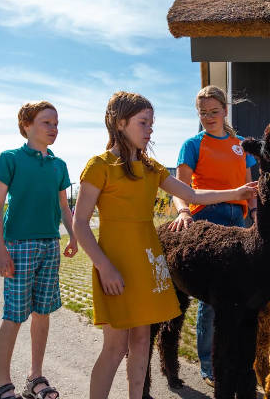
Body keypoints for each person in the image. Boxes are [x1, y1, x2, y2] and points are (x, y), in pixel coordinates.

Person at [72, 91, 257, 399]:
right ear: (120, 123)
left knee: (143, 340)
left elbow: (194, 195)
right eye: (143, 123)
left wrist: (237, 191)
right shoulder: (99, 165)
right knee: (115, 347)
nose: (150, 130)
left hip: (148, 264)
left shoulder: (151, 168)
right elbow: (80, 224)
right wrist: (104, 267)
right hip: (114, 266)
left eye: (152, 123)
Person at [0, 101, 78, 399]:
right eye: (46, 122)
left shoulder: (58, 165)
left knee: (42, 313)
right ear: (27, 125)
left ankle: (34, 377)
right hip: (18, 246)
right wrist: (0, 251)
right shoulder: (9, 159)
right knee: (14, 314)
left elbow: (64, 207)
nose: (53, 128)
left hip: (50, 245)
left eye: (56, 123)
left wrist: (73, 236)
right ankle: (2, 383)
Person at [167, 85, 257, 386]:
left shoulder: (241, 145)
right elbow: (179, 190)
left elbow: (250, 188)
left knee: (241, 296)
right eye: (203, 113)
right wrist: (182, 212)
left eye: (213, 111)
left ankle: (238, 359)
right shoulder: (192, 145)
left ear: (225, 111)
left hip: (239, 221)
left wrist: (255, 215)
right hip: (207, 219)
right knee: (211, 298)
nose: (208, 117)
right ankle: (209, 364)